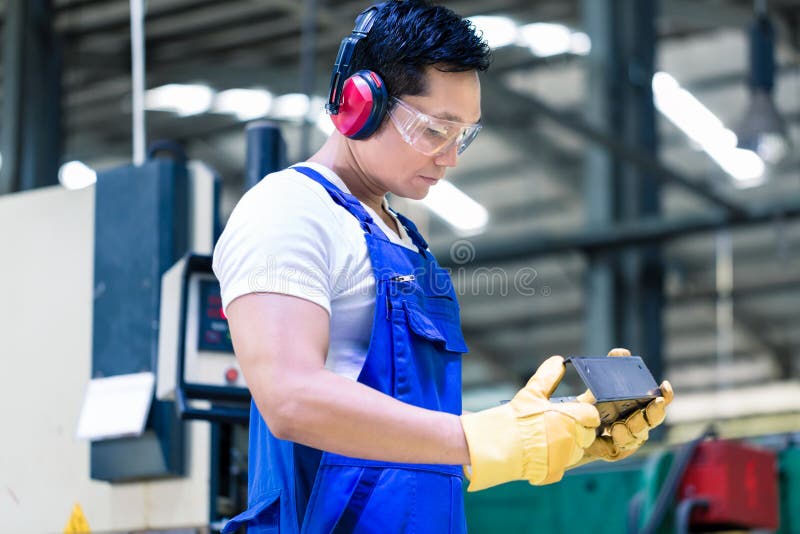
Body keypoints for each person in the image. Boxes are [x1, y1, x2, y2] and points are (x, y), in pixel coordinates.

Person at [213, 1, 673, 532]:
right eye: (436, 130)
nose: (450, 157)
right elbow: (291, 398)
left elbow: (405, 447)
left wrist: (550, 433)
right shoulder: (289, 211)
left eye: (464, 136)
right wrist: (483, 437)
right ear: (361, 104)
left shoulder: (405, 237)